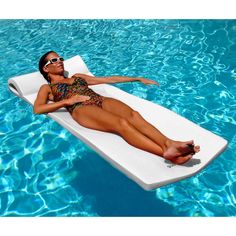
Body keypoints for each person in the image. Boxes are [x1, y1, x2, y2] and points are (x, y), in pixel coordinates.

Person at [34, 51, 200, 165]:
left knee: (133, 115)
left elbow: (108, 79)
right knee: (121, 123)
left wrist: (136, 79)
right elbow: (38, 108)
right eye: (54, 60)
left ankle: (169, 143)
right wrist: (67, 102)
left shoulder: (77, 77)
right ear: (46, 68)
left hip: (99, 99)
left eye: (61, 58)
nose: (60, 61)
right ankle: (168, 155)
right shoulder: (47, 88)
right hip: (80, 107)